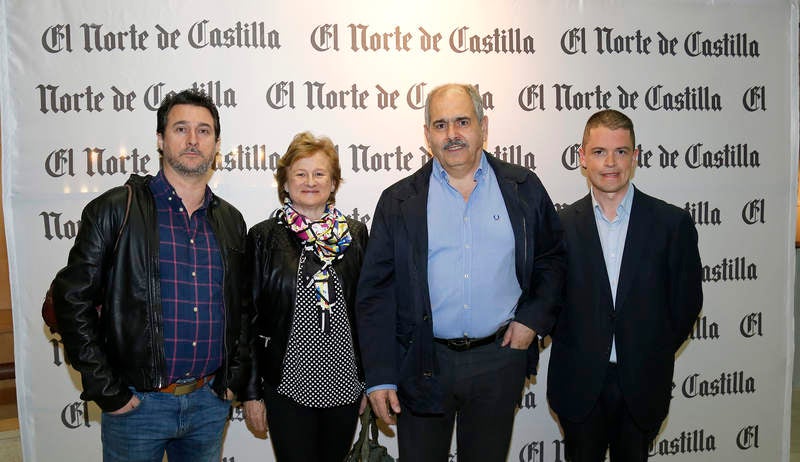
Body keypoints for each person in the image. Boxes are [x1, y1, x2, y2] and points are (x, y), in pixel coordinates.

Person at [356, 83, 566, 461]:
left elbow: (552, 259)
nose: (452, 134)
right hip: (422, 361)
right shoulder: (398, 201)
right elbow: (376, 294)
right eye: (440, 125)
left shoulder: (523, 188)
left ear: (483, 127)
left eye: (462, 122)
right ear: (426, 136)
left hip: (498, 360)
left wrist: (532, 319)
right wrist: (381, 375)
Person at [52, 89, 250, 462]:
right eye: (180, 129)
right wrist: (107, 388)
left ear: (216, 144)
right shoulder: (115, 208)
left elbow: (241, 307)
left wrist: (230, 381)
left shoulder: (230, 221)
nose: (193, 140)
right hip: (137, 406)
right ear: (160, 140)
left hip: (209, 404)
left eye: (204, 131)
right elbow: (72, 298)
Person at [547, 109, 703, 462]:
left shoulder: (671, 223)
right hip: (578, 385)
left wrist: (650, 349)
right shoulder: (559, 227)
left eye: (621, 151)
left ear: (635, 156)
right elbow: (549, 304)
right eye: (600, 152)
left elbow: (685, 305)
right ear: (582, 158)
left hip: (643, 384)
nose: (611, 163)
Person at [241, 132, 369, 462]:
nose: (310, 181)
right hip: (287, 382)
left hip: (345, 382)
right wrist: (252, 392)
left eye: (319, 173)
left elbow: (369, 312)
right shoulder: (263, 238)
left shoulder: (356, 235)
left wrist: (371, 379)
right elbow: (248, 317)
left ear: (334, 183)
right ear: (285, 183)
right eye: (300, 173)